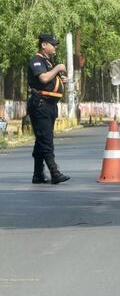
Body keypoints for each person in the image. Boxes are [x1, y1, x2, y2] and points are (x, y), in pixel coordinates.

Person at [27, 34, 70, 184]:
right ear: (44, 45)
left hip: (50, 105)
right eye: (52, 44)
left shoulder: (48, 62)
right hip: (40, 104)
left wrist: (61, 79)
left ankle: (38, 174)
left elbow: (51, 79)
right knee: (46, 139)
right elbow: (44, 78)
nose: (55, 47)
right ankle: (55, 172)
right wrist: (58, 68)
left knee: (41, 139)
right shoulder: (36, 60)